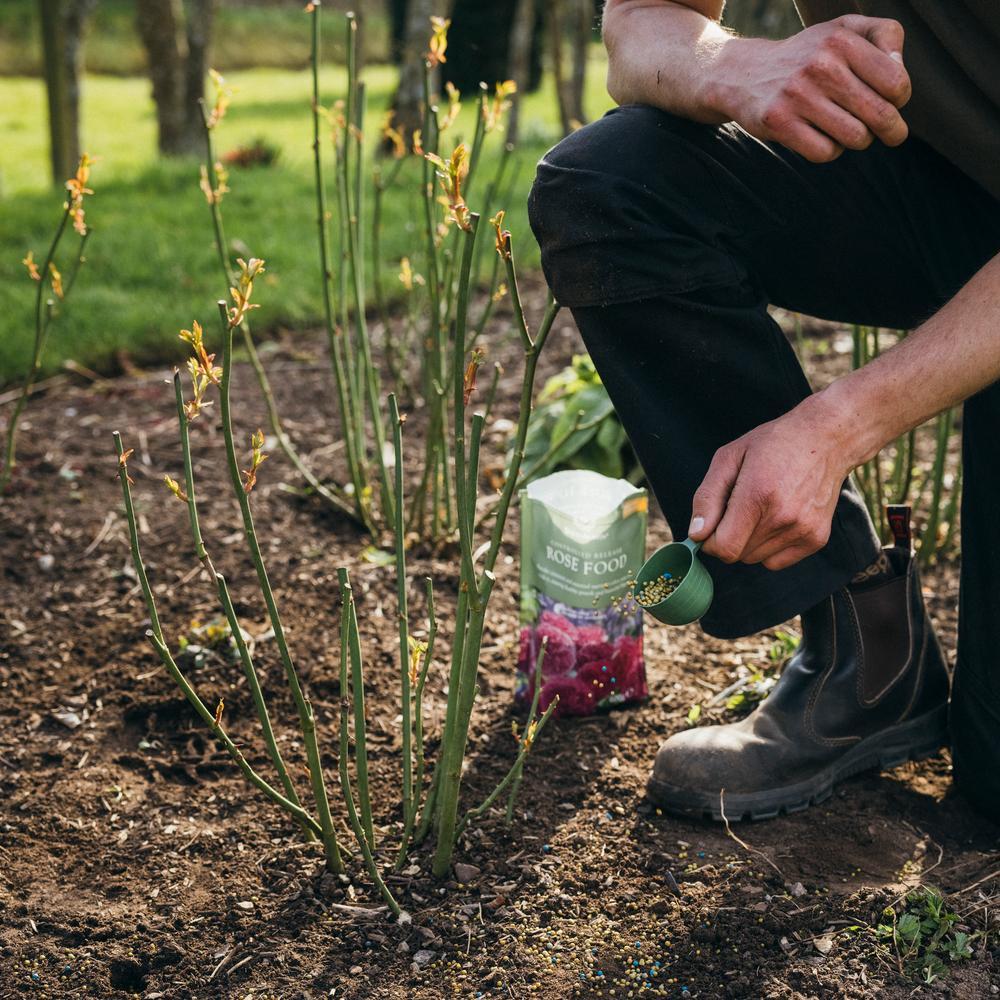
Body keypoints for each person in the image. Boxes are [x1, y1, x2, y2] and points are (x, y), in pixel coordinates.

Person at [528, 0, 1000, 824]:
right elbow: (641, 25)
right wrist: (727, 65)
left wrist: (834, 429)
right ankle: (871, 662)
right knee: (610, 183)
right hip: (947, 185)